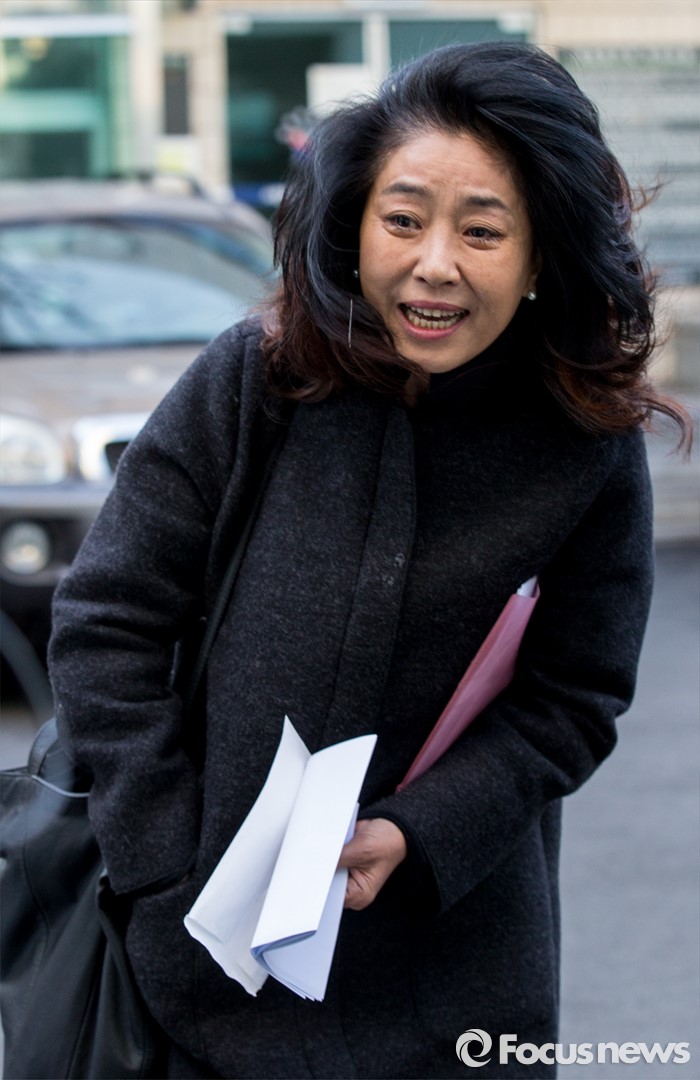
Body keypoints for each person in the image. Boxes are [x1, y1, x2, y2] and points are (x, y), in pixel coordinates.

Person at [48, 42, 691, 1080]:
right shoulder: (256, 380)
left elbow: (573, 700)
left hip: (461, 982)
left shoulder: (586, 444)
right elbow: (105, 623)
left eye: (481, 231)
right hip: (203, 972)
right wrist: (164, 869)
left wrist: (424, 833)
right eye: (403, 220)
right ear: (354, 227)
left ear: (542, 256)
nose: (434, 263)